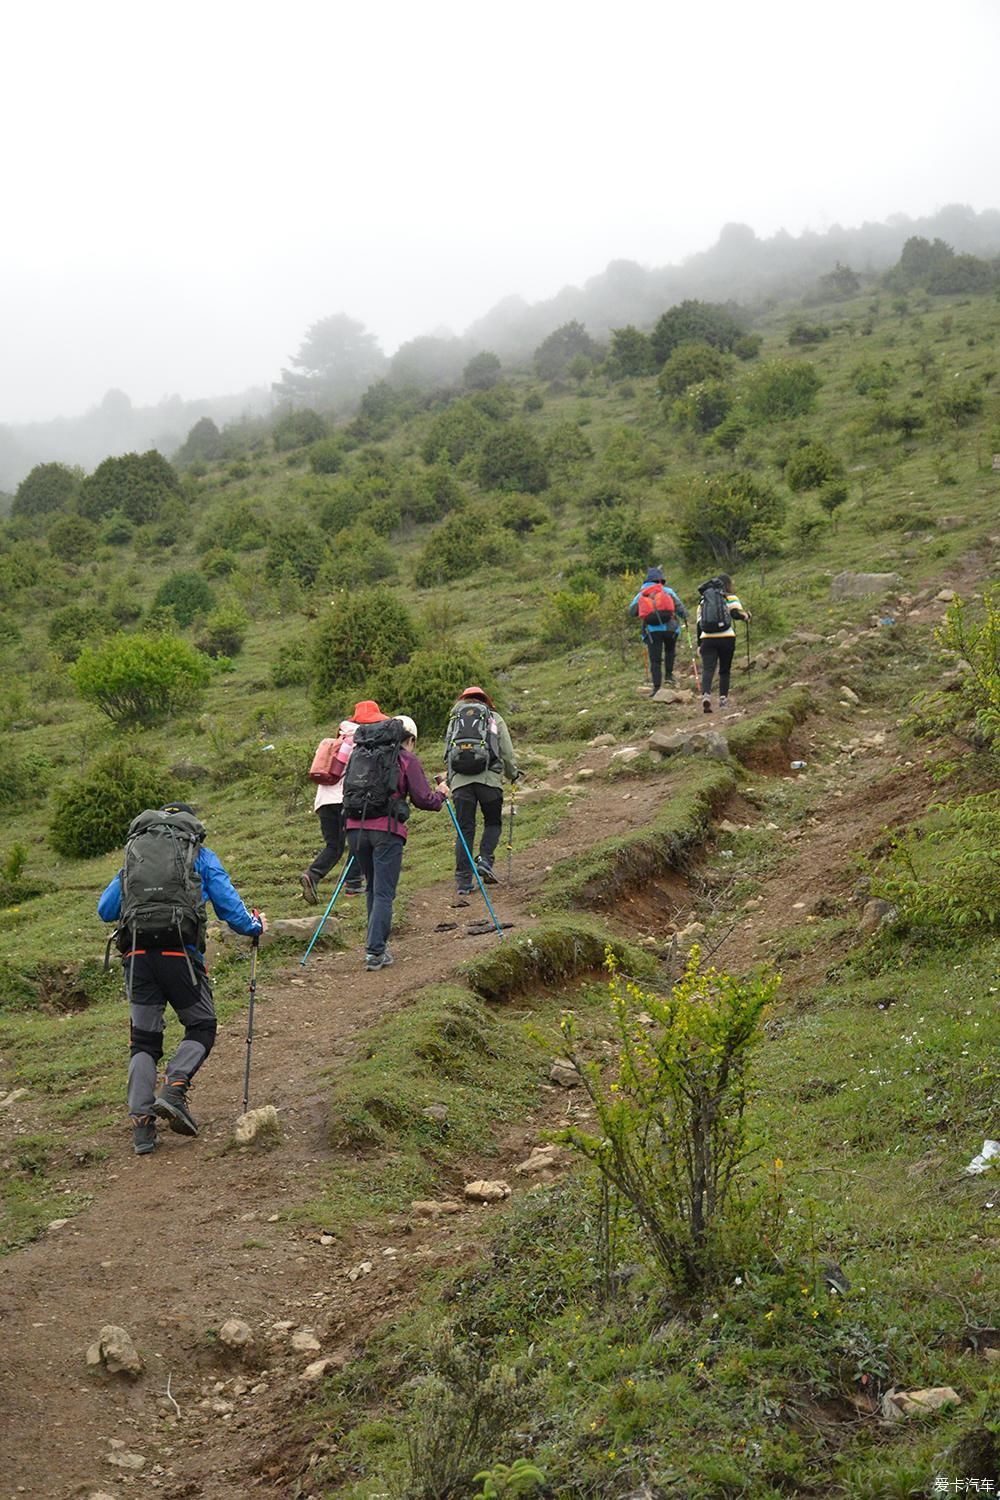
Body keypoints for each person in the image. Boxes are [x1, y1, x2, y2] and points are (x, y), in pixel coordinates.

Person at [97, 802, 265, 1155]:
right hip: (180, 955)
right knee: (202, 1025)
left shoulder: (135, 856)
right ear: (189, 827)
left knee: (143, 1041)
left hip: (137, 955)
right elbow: (230, 910)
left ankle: (142, 1128)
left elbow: (106, 910)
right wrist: (255, 925)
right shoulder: (199, 855)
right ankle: (175, 1085)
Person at [344, 715, 450, 971]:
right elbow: (425, 799)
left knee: (372, 888)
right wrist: (442, 794)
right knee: (383, 892)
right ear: (410, 739)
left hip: (355, 830)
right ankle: (375, 951)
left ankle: (376, 946)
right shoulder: (405, 758)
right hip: (386, 832)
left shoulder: (361, 754)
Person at [300, 700, 387, 905]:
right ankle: (353, 884)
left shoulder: (334, 741)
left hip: (323, 801)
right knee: (359, 839)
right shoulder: (362, 740)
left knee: (334, 845)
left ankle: (312, 875)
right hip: (345, 800)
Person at [444, 685, 519, 900]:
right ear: (485, 700)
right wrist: (512, 773)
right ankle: (485, 860)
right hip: (489, 780)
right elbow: (506, 749)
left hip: (460, 783)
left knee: (465, 829)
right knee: (493, 822)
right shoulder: (494, 718)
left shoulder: (454, 720)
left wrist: (452, 781)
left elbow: (448, 751)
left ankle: (463, 881)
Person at [696, 573, 751, 713]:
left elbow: (699, 624)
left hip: (707, 639)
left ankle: (706, 695)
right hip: (727, 637)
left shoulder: (704, 600)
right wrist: (746, 616)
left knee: (708, 669)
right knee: (724, 670)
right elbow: (735, 614)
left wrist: (699, 644)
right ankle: (723, 700)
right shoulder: (730, 597)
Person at [629, 567, 688, 694]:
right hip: (670, 628)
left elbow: (632, 611)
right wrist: (685, 617)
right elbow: (680, 608)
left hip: (652, 630)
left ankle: (656, 687)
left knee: (655, 659)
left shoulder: (641, 594)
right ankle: (669, 676)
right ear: (660, 580)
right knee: (670, 651)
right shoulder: (668, 591)